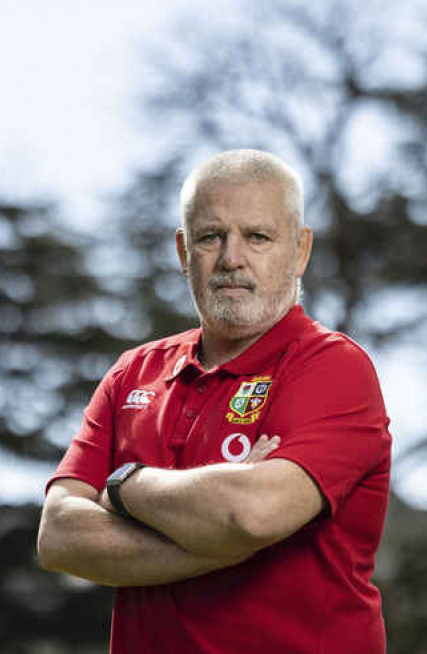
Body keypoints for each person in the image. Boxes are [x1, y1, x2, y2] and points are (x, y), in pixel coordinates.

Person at [37, 149, 392, 653]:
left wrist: (121, 487)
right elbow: (58, 537)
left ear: (300, 250)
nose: (231, 258)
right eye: (210, 237)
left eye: (258, 236)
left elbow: (249, 516)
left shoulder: (333, 367)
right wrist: (221, 540)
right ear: (183, 253)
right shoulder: (132, 374)